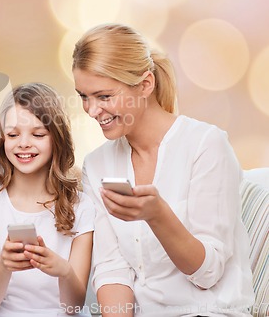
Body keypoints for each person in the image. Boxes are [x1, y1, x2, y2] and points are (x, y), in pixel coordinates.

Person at [72, 23, 255, 317]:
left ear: (145, 84)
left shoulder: (205, 145)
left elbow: (207, 273)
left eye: (104, 96)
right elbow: (112, 271)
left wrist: (158, 215)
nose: (92, 110)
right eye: (83, 96)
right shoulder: (97, 165)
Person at [0, 82, 95, 317]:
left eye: (38, 134)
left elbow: (74, 306)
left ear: (57, 138)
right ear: (3, 139)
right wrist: (4, 264)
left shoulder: (81, 205)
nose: (23, 143)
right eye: (13, 134)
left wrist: (63, 271)